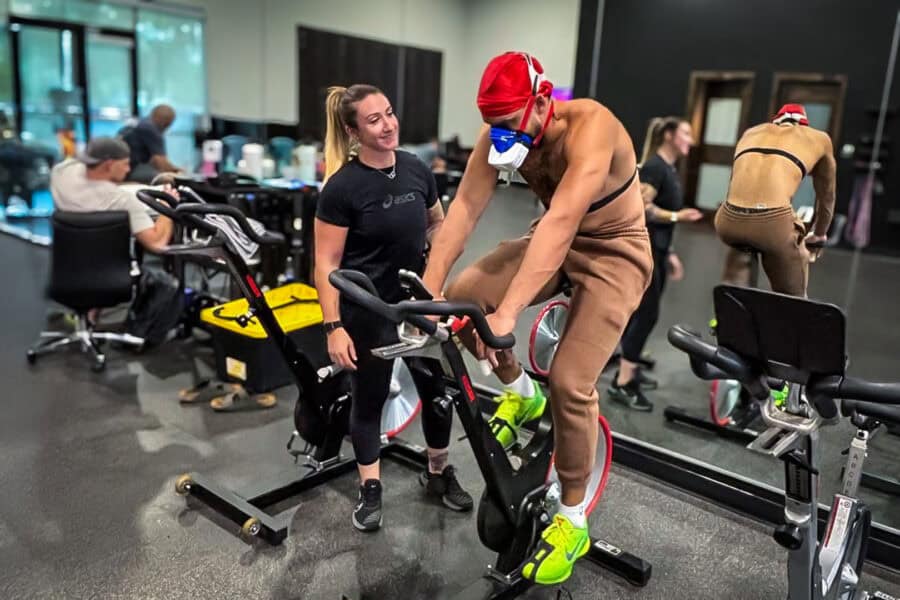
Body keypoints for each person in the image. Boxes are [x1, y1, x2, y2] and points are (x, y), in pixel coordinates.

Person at [422, 52, 652, 584]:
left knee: (572, 382)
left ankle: (572, 517)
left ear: (544, 101)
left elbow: (564, 221)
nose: (499, 137)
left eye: (507, 124)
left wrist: (507, 314)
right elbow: (461, 213)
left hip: (614, 251)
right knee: (465, 296)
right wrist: (432, 294)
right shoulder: (503, 132)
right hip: (552, 237)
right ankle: (522, 395)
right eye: (492, 126)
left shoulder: (593, 127)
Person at [314, 84, 474, 533]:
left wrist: (437, 283)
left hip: (417, 302)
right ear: (352, 131)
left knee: (437, 391)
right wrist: (333, 327)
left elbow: (437, 223)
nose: (388, 125)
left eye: (389, 114)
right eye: (374, 120)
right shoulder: (342, 188)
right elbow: (325, 262)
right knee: (370, 399)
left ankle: (438, 471)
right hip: (368, 309)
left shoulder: (417, 169)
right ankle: (370, 488)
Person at [608, 117, 702, 410]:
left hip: (658, 251)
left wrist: (670, 252)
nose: (691, 139)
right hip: (642, 252)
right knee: (646, 314)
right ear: (670, 135)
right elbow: (642, 210)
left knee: (643, 313)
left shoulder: (669, 170)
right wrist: (678, 216)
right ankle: (622, 382)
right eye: (686, 132)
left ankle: (631, 366)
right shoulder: (654, 167)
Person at [716, 103, 836, 297]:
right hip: (772, 225)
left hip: (727, 221)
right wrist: (819, 234)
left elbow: (736, 183)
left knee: (732, 290)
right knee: (793, 299)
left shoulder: (751, 132)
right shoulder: (819, 138)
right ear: (804, 124)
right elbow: (827, 196)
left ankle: (724, 317)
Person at [51, 136, 173, 253]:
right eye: (125, 163)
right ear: (109, 164)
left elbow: (83, 169)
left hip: (68, 266)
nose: (128, 169)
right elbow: (157, 243)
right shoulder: (122, 200)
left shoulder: (60, 173)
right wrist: (166, 204)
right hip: (116, 270)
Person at [121, 104, 181, 183]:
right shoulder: (151, 129)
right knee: (168, 180)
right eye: (169, 123)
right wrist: (178, 171)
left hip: (119, 168)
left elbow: (153, 160)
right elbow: (161, 162)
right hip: (130, 169)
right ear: (167, 122)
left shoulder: (139, 122)